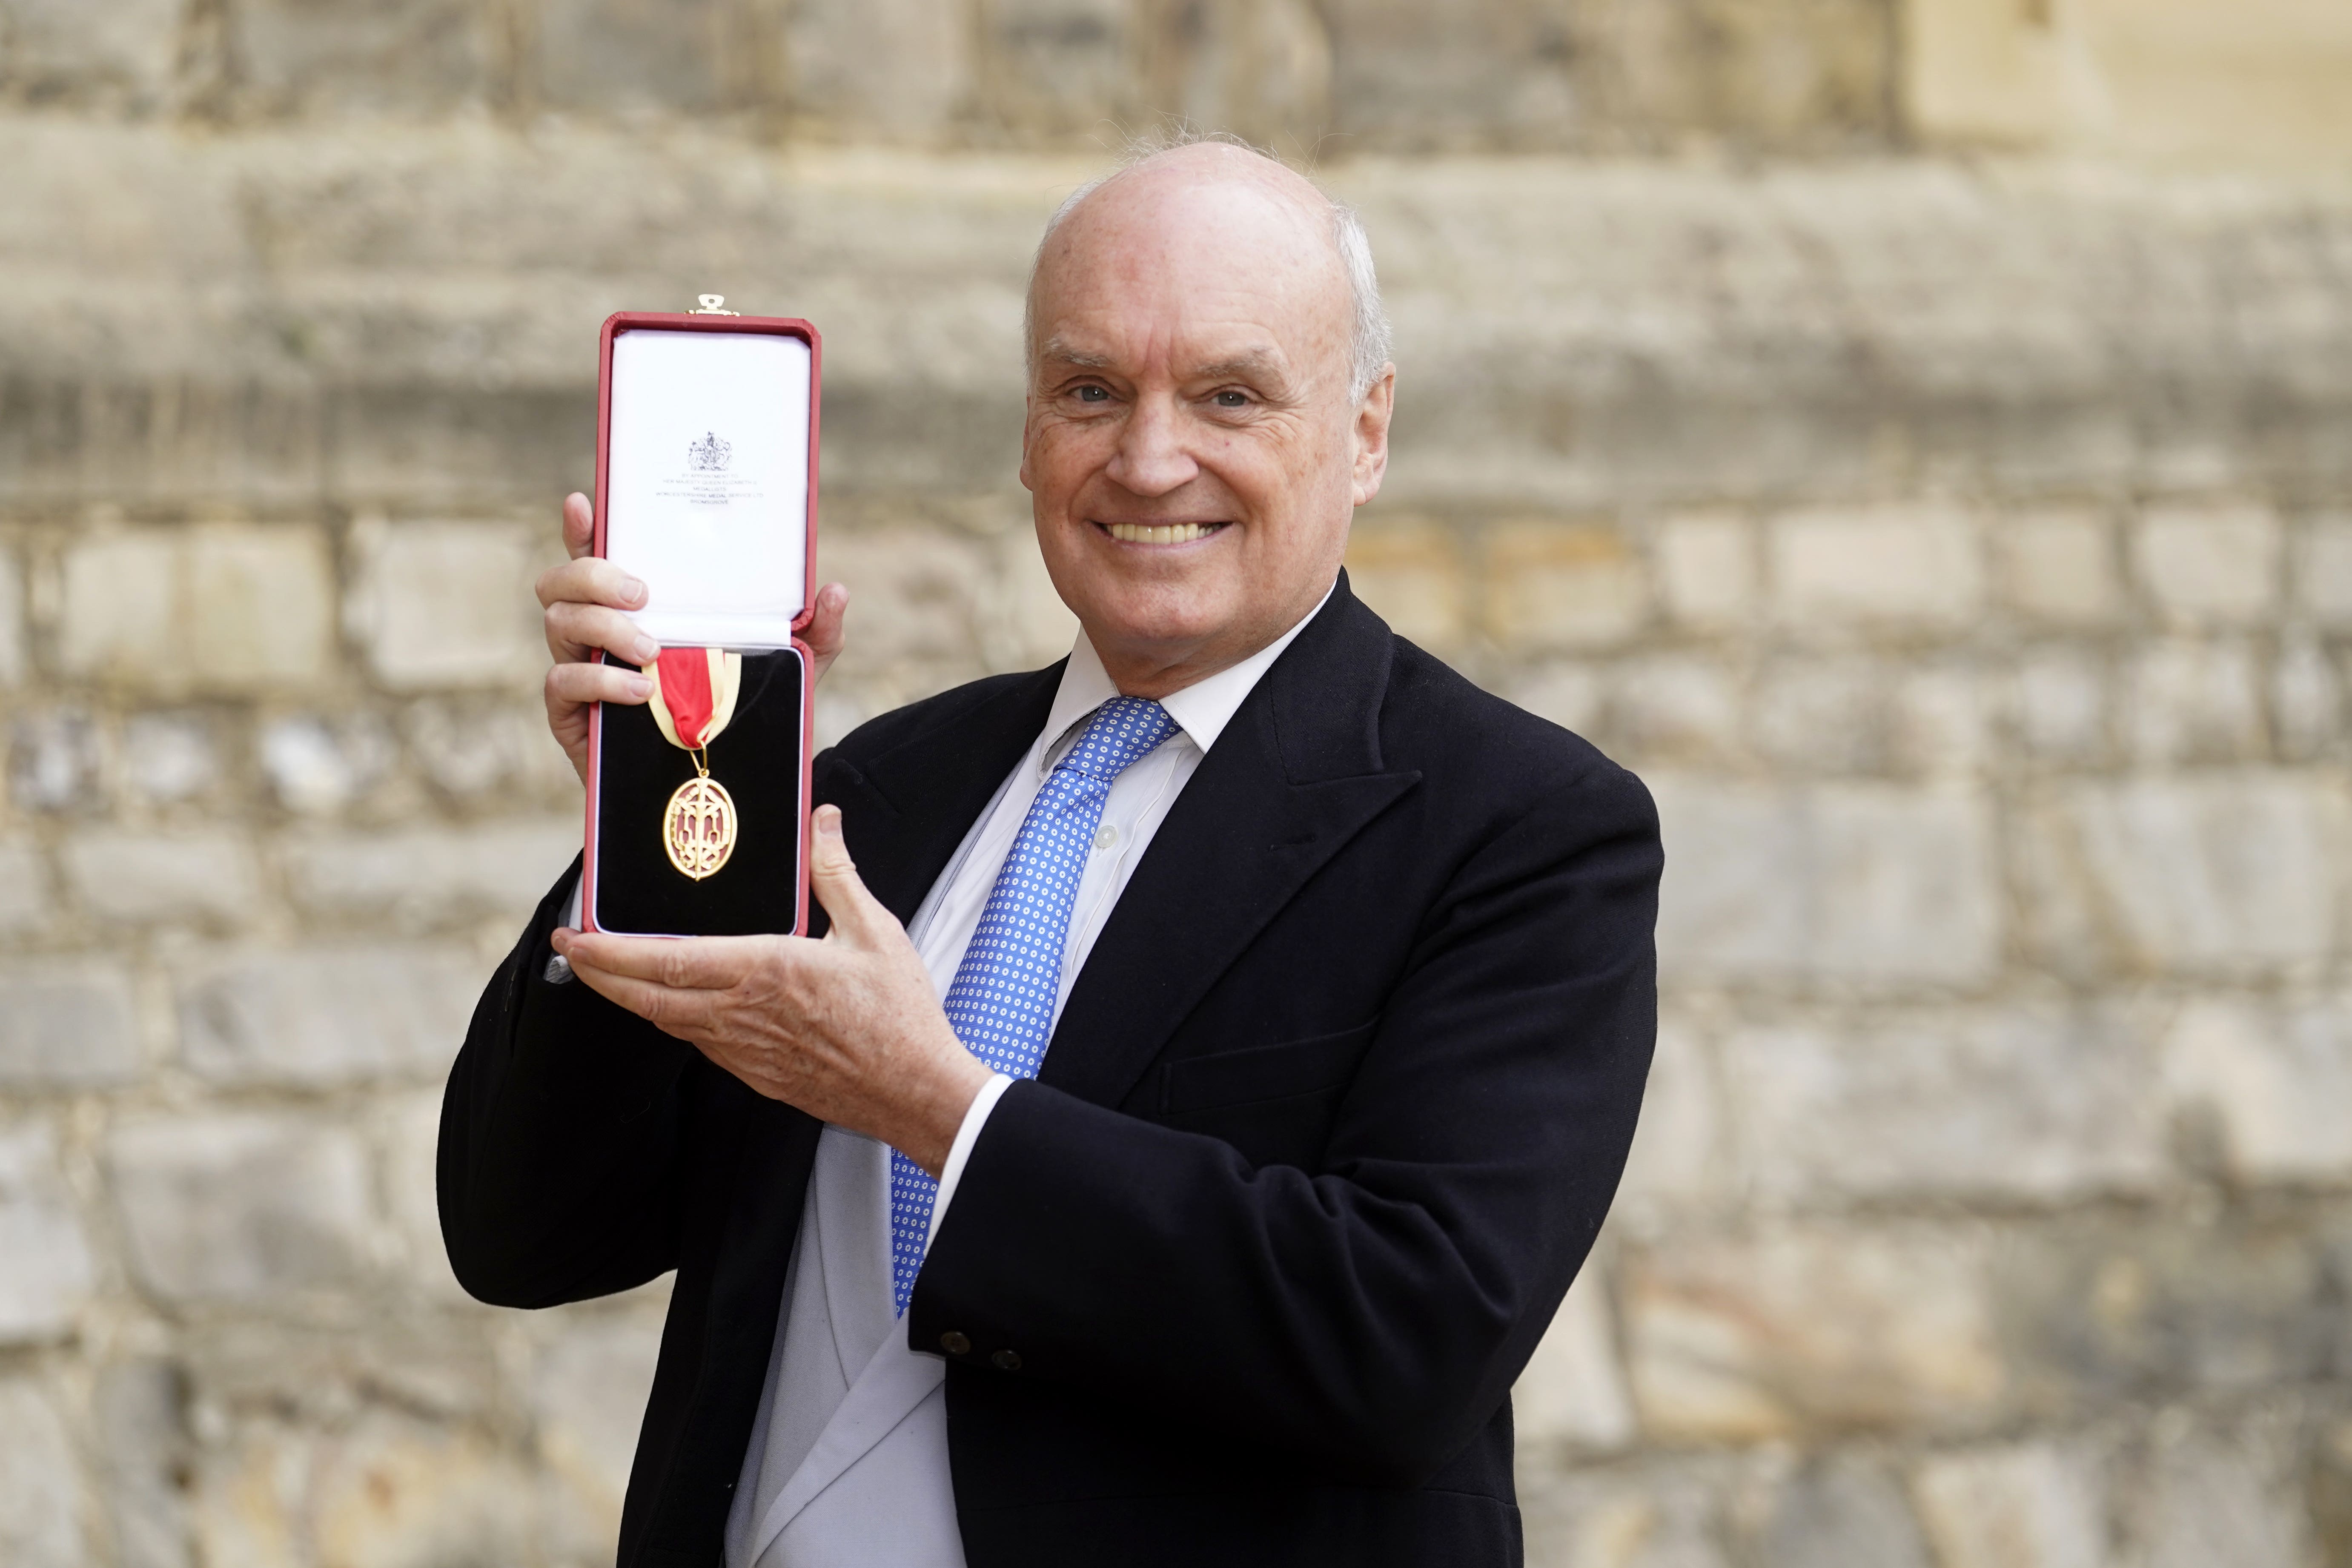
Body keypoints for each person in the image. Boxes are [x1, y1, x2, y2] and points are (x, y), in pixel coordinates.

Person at [439, 134, 1661, 1568]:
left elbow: (1408, 1330)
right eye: (1090, 390)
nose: (1150, 457)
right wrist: (639, 824)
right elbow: (522, 1235)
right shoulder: (875, 789)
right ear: (1029, 431)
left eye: (1230, 394)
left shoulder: (1520, 827)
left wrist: (942, 1110)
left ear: (1366, 431)